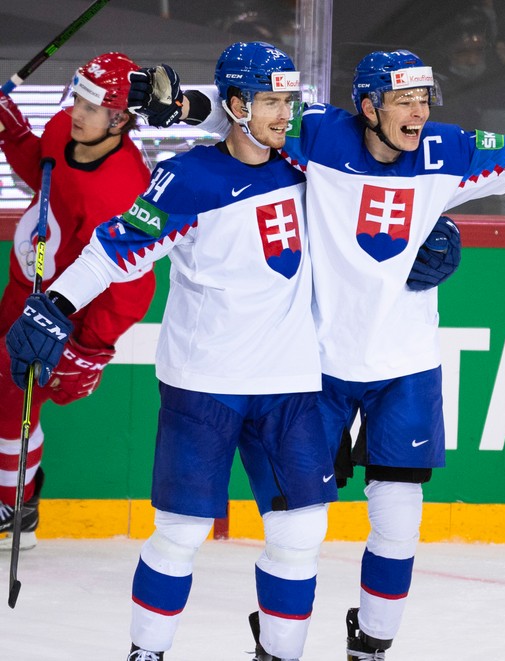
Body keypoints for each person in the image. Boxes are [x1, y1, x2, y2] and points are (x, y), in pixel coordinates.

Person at [137, 46, 505, 659]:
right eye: (404, 100)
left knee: (399, 519)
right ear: (369, 104)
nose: (418, 113)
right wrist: (182, 104)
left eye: (425, 99)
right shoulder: (319, 134)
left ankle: (371, 644)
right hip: (314, 364)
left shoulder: (443, 151)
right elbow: (251, 113)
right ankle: (277, 645)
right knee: (297, 531)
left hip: (404, 365)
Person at [6, 42, 337, 661]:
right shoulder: (188, 178)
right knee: (180, 533)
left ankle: (281, 653)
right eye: (269, 100)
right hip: (203, 381)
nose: (285, 113)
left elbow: (387, 177)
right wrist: (56, 306)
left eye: (288, 100)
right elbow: (112, 250)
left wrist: (435, 227)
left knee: (301, 534)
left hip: (290, 382)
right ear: (237, 105)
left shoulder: (309, 161)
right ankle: (147, 652)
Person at [0, 52, 155, 551]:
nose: (77, 114)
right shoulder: (68, 128)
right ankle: (17, 501)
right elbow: (41, 168)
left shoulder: (123, 189)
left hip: (60, 320)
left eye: (93, 107)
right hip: (22, 291)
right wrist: (11, 132)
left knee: (9, 401)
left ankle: (14, 511)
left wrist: (91, 347)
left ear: (122, 117)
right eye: (78, 100)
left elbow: (133, 287)